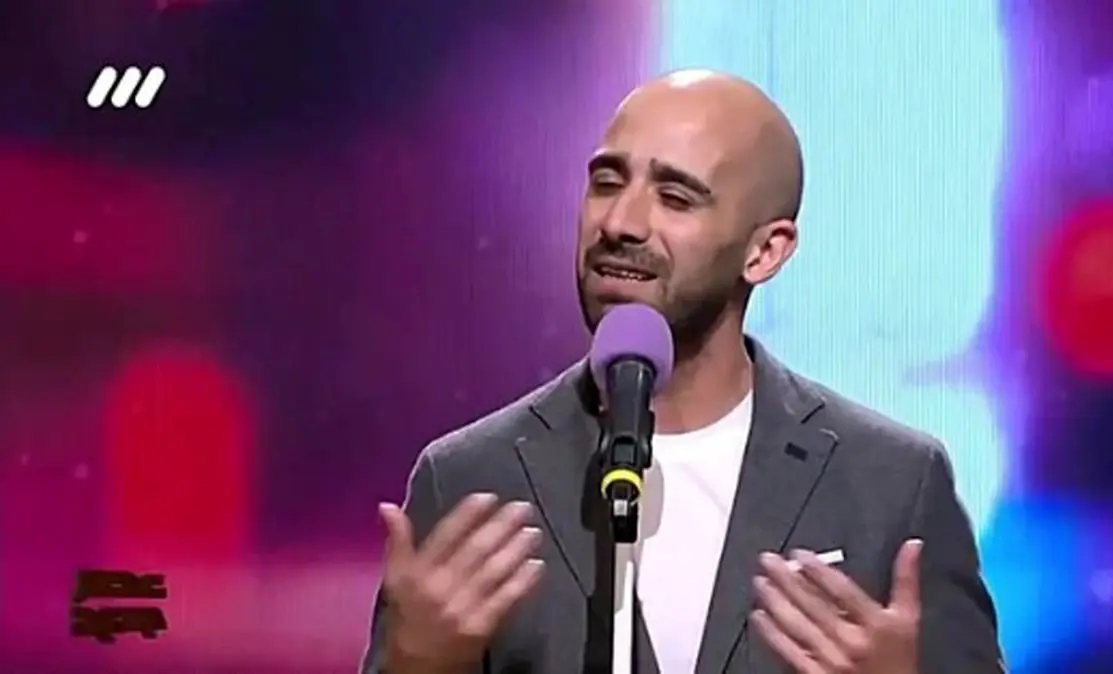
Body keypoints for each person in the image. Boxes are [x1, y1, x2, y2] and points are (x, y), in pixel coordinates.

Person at [360, 69, 1004, 674]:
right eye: (607, 183)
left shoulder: (893, 485)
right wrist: (416, 666)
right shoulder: (471, 481)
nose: (620, 223)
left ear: (765, 251)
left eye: (674, 197)